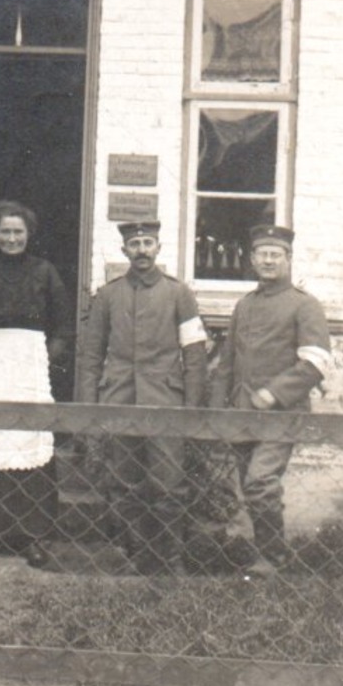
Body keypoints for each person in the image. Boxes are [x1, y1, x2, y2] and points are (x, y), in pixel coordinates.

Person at [74, 220, 208, 575]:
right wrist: (90, 409)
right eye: (135, 244)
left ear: (159, 247)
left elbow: (194, 355)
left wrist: (191, 409)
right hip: (119, 400)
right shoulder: (108, 296)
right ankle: (134, 555)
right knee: (124, 483)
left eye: (148, 243)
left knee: (168, 484)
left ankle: (170, 559)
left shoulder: (179, 294)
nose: (142, 250)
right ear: (124, 251)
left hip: (165, 402)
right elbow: (90, 356)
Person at [210, 224, 332, 574]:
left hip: (282, 414)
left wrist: (275, 393)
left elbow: (315, 362)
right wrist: (219, 409)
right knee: (249, 488)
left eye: (275, 254)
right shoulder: (244, 305)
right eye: (262, 254)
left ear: (288, 259)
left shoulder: (304, 306)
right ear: (251, 259)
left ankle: (272, 559)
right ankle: (258, 556)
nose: (268, 260)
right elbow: (228, 363)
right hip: (243, 412)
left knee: (260, 483)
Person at [0, 200, 73, 566]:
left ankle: (34, 533)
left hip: (31, 364)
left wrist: (43, 359)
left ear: (29, 234)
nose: (12, 238)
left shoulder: (45, 272)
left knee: (30, 441)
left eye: (18, 232)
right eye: (5, 232)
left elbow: (63, 327)